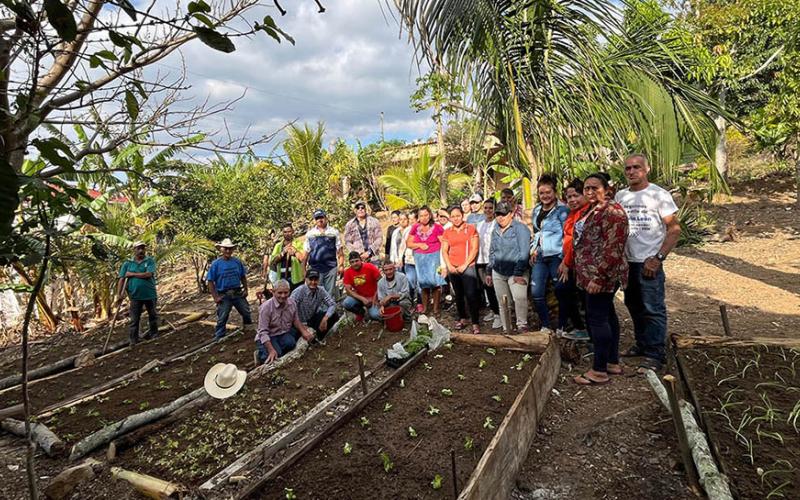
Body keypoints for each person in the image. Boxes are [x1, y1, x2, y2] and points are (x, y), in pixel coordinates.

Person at [615, 153, 680, 373]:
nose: (631, 171)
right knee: (633, 305)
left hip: (648, 262)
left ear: (647, 169)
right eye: (628, 168)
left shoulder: (659, 195)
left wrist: (658, 258)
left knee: (653, 308)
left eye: (636, 167)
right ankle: (642, 344)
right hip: (627, 263)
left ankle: (655, 354)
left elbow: (674, 229)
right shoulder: (621, 197)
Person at [573, 174, 629, 385]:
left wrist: (599, 277)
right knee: (608, 315)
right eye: (586, 188)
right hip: (589, 274)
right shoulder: (591, 210)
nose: (589, 192)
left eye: (594, 188)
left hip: (602, 275)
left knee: (596, 319)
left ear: (607, 189)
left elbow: (613, 249)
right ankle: (612, 361)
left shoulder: (613, 212)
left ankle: (598, 370)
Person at [529, 175, 570, 335]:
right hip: (540, 255)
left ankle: (562, 325)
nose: (545, 196)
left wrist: (565, 261)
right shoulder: (537, 210)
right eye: (541, 193)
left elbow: (568, 236)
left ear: (555, 192)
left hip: (557, 255)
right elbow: (537, 232)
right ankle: (545, 325)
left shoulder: (562, 210)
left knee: (561, 289)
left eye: (548, 192)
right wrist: (534, 249)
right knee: (536, 292)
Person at [487, 201, 531, 333]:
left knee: (519, 298)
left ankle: (522, 325)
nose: (501, 217)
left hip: (516, 270)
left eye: (504, 214)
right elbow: (492, 251)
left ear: (511, 214)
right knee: (503, 302)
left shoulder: (520, 228)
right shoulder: (495, 230)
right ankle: (507, 329)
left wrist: (518, 273)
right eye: (498, 214)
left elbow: (524, 252)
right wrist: (489, 271)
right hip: (498, 271)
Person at [557, 178, 590, 340]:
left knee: (581, 297)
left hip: (580, 263)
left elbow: (577, 242)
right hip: (570, 261)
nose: (572, 200)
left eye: (575, 195)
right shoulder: (572, 214)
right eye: (569, 197)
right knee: (563, 290)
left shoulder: (586, 214)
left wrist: (566, 263)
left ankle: (587, 330)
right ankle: (580, 327)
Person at [441, 206, 481, 334]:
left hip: (467, 267)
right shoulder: (447, 231)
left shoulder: (470, 229)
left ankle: (475, 322)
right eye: (453, 216)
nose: (455, 219)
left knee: (471, 295)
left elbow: (475, 249)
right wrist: (449, 266)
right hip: (453, 267)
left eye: (458, 216)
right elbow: (444, 250)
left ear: (462, 215)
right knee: (458, 295)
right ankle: (462, 318)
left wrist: (465, 264)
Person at [255, 279, 315, 365]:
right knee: (275, 356)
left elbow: (295, 320)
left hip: (281, 333)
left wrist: (304, 332)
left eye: (286, 293)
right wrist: (271, 350)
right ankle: (261, 355)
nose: (283, 296)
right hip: (268, 336)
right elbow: (263, 332)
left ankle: (276, 350)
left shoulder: (292, 303)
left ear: (289, 292)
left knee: (291, 343)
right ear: (273, 292)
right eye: (279, 293)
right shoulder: (266, 308)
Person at [207, 238, 253, 339]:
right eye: (226, 249)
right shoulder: (216, 264)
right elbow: (210, 281)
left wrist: (246, 289)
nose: (228, 251)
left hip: (237, 292)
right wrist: (215, 297)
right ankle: (219, 336)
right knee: (222, 316)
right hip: (224, 294)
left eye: (230, 249)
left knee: (246, 311)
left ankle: (249, 330)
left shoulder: (237, 262)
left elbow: (243, 276)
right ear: (221, 250)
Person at [406, 206, 446, 315]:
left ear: (430, 215)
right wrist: (419, 244)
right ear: (418, 217)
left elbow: (444, 243)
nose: (424, 218)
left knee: (435, 283)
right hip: (420, 258)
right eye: (421, 215)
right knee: (423, 284)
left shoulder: (437, 227)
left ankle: (436, 308)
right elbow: (408, 243)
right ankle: (425, 308)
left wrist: (444, 261)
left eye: (426, 215)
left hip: (435, 257)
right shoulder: (415, 227)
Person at [116, 241, 158, 344]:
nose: (141, 251)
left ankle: (154, 334)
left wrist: (132, 274)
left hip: (150, 294)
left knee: (152, 316)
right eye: (138, 248)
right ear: (134, 250)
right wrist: (119, 294)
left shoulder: (149, 261)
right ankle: (133, 340)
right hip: (135, 296)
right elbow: (121, 279)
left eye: (142, 248)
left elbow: (148, 274)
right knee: (134, 319)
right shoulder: (127, 264)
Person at [290, 269, 339, 340]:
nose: (313, 282)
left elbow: (332, 304)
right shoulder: (299, 291)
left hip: (312, 319)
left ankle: (320, 338)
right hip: (298, 322)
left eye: (315, 279)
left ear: (318, 280)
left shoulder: (320, 290)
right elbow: (290, 310)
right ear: (306, 279)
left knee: (334, 316)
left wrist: (325, 319)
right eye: (310, 279)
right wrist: (301, 326)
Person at [304, 209, 344, 296]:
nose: (320, 220)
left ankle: (328, 310)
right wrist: (304, 269)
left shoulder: (334, 232)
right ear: (315, 220)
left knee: (329, 293)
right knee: (315, 293)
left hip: (331, 267)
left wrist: (341, 265)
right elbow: (306, 252)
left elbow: (340, 250)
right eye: (317, 218)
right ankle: (317, 310)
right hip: (315, 268)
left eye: (321, 217)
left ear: (326, 218)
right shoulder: (310, 234)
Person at [476, 199, 502, 329]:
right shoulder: (479, 224)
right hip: (480, 259)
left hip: (492, 259)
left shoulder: (497, 223)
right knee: (486, 286)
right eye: (485, 208)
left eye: (490, 208)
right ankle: (493, 310)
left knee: (493, 287)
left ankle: (499, 314)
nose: (488, 210)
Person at [342, 251, 383, 321]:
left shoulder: (370, 267)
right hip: (359, 297)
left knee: (375, 315)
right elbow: (348, 291)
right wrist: (362, 299)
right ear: (349, 263)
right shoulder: (347, 272)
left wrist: (375, 297)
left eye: (356, 261)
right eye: (352, 262)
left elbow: (381, 282)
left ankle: (374, 308)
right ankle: (360, 312)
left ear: (361, 260)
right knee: (346, 303)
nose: (355, 264)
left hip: (373, 296)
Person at [344, 201, 383, 266]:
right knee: (360, 276)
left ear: (365, 209)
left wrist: (369, 252)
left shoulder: (374, 221)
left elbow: (379, 238)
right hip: (357, 259)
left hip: (373, 257)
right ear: (355, 210)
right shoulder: (350, 224)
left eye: (362, 207)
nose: (360, 209)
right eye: (358, 208)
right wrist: (357, 254)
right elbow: (347, 242)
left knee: (375, 275)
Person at [269, 223, 305, 291]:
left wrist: (295, 251)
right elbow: (273, 262)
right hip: (282, 279)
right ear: (282, 233)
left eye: (289, 231)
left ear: (293, 231)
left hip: (297, 280)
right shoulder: (278, 246)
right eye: (285, 232)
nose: (287, 234)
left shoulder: (298, 243)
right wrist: (282, 253)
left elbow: (303, 259)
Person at [398, 210, 420, 306]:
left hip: (420, 260)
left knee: (420, 284)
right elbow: (402, 245)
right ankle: (410, 301)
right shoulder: (407, 230)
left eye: (413, 219)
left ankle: (420, 303)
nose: (411, 221)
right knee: (410, 282)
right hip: (409, 260)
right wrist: (400, 258)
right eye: (409, 219)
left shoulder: (422, 229)